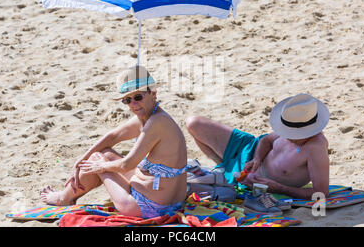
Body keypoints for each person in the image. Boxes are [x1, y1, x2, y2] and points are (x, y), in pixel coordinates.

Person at [41, 65, 188, 218]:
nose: (133, 104)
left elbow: (127, 165)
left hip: (148, 207)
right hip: (171, 202)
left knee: (96, 159)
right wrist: (79, 161)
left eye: (138, 97)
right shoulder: (151, 116)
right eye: (127, 100)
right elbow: (112, 137)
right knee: (104, 153)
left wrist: (100, 166)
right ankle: (68, 194)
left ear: (153, 93)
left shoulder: (157, 123)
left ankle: (63, 198)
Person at [186, 93, 330, 200]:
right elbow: (267, 140)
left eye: (293, 134)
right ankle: (224, 167)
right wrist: (257, 159)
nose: (287, 136)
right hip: (250, 149)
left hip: (258, 182)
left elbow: (321, 193)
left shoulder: (316, 148)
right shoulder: (293, 119)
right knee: (194, 123)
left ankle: (225, 173)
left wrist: (278, 188)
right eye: (286, 131)